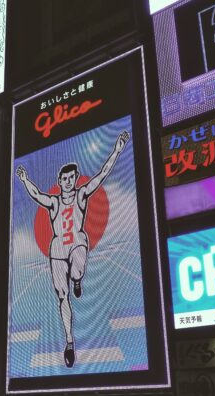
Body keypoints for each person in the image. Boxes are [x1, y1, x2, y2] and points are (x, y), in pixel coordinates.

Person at [15, 130, 129, 367]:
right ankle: (69, 341)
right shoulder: (54, 202)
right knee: (61, 296)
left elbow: (102, 174)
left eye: (71, 178)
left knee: (77, 271)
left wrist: (117, 149)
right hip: (57, 247)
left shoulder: (82, 195)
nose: (68, 181)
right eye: (64, 179)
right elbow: (36, 195)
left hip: (77, 241)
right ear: (60, 182)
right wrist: (25, 180)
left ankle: (77, 279)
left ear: (76, 178)